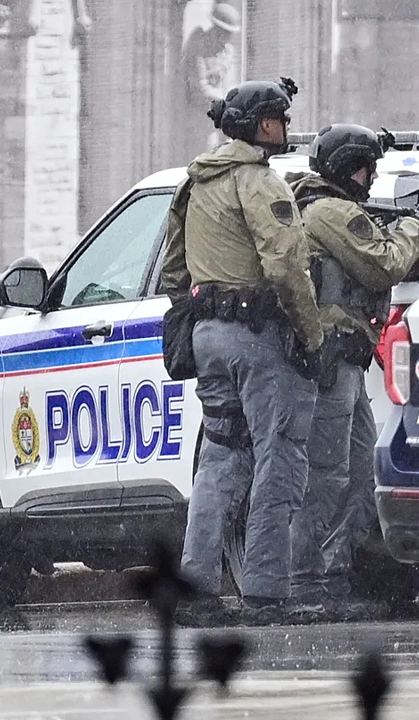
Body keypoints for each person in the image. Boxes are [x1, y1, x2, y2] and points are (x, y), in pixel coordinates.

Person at [163, 77, 325, 626]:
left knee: (219, 460)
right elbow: (285, 265)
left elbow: (172, 272)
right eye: (277, 118)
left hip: (209, 337)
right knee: (280, 458)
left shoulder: (194, 183)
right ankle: (265, 591)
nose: (284, 127)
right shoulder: (259, 182)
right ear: (259, 125)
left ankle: (196, 585)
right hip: (261, 340)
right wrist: (313, 334)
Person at [287, 124, 419, 620]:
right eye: (367, 167)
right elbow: (384, 264)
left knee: (362, 473)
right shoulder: (329, 212)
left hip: (346, 362)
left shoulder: (331, 209)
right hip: (329, 362)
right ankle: (305, 580)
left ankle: (333, 574)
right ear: (347, 169)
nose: (373, 175)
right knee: (327, 475)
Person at [178, 1, 241, 151]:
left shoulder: (228, 52)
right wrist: (228, 102)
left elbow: (230, 86)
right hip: (201, 115)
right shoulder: (198, 45)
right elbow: (200, 88)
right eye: (225, 32)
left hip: (223, 115)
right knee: (207, 152)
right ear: (216, 29)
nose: (228, 38)